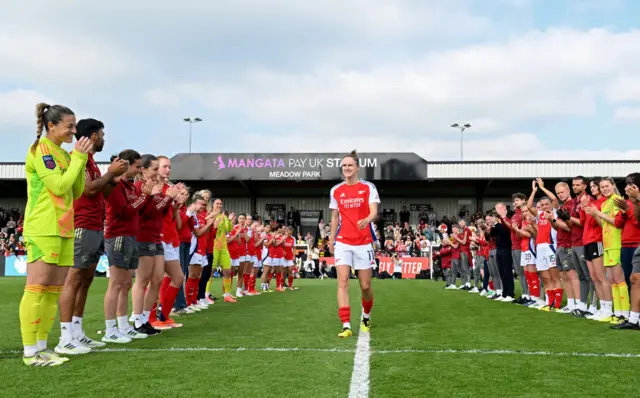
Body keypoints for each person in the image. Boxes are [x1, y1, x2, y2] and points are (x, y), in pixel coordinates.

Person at [20, 103, 92, 366]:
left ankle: (42, 348)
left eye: (75, 126)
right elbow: (59, 186)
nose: (74, 131)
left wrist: (78, 160)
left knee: (52, 291)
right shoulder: (42, 150)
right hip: (43, 228)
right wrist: (79, 159)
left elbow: (77, 190)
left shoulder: (63, 154)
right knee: (37, 288)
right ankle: (30, 352)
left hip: (64, 229)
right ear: (51, 126)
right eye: (69, 126)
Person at [55, 119, 128, 355]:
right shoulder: (78, 158)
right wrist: (109, 173)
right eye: (102, 134)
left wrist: (115, 178)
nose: (104, 138)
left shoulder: (92, 162)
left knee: (86, 280)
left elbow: (103, 191)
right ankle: (65, 336)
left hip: (95, 224)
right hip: (81, 224)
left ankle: (77, 332)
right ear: (94, 136)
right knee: (74, 278)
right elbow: (89, 189)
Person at [102, 150, 159, 340]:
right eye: (136, 166)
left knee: (125, 283)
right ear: (125, 165)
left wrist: (145, 197)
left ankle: (123, 326)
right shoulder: (116, 186)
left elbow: (137, 210)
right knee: (116, 284)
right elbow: (124, 211)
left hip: (130, 236)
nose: (138, 170)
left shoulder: (128, 186)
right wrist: (145, 196)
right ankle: (110, 330)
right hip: (118, 236)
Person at [328, 150, 380, 338]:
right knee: (342, 282)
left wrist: (367, 219)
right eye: (344, 166)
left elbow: (374, 212)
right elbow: (334, 217)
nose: (347, 168)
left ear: (357, 167)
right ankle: (346, 325)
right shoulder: (336, 190)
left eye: (350, 165)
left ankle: (366, 316)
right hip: (343, 242)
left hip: (364, 242)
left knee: (365, 286)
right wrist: (331, 240)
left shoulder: (368, 187)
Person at [585, 177, 629, 323]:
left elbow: (617, 222)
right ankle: (617, 312)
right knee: (612, 280)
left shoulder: (617, 199)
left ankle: (625, 313)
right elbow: (604, 224)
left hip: (616, 243)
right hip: (607, 244)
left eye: (606, 186)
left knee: (619, 279)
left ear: (613, 186)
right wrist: (595, 214)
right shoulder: (604, 203)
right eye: (602, 187)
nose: (604, 189)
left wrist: (598, 213)